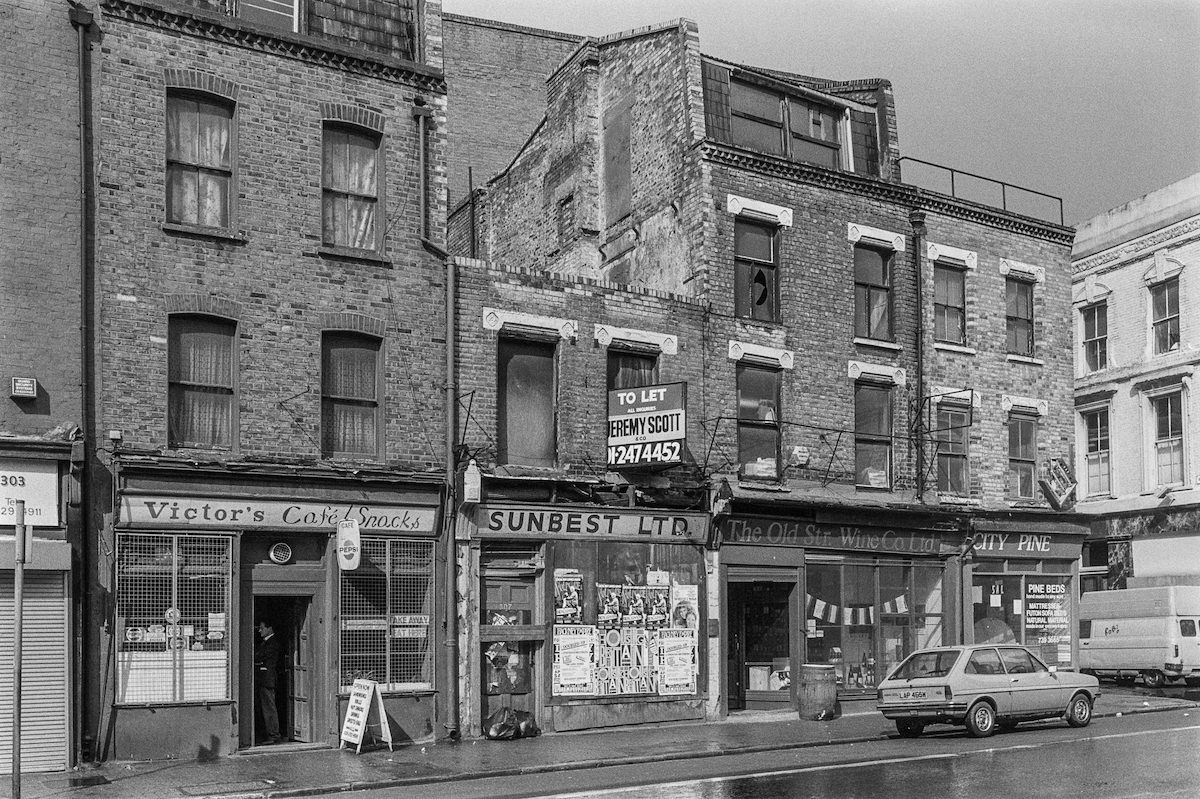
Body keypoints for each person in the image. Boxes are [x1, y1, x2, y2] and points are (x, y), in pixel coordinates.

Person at [254, 620, 282, 744]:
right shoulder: (266, 642)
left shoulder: (272, 643)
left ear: (269, 629)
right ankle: (268, 733)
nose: (259, 630)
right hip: (263, 680)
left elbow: (260, 657)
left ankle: (274, 735)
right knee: (264, 708)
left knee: (269, 708)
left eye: (261, 628)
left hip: (267, 680)